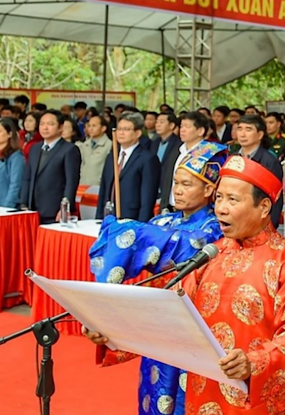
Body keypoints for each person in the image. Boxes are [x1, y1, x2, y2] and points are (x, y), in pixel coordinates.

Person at [86, 153, 285, 415]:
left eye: (233, 200)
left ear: (263, 207)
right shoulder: (211, 255)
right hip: (201, 394)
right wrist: (113, 334)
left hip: (255, 399)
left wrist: (254, 362)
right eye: (219, 198)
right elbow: (169, 316)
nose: (221, 208)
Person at [89, 142, 227, 415]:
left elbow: (185, 246)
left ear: (209, 190)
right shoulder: (162, 222)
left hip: (192, 330)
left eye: (187, 184)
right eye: (176, 183)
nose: (178, 190)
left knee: (188, 399)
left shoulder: (215, 228)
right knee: (154, 395)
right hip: (158, 328)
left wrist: (130, 230)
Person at [96, 112, 161, 222]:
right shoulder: (112, 156)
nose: (121, 133)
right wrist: (99, 218)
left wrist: (141, 225)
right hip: (109, 217)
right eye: (119, 129)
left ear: (138, 133)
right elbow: (104, 189)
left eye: (126, 129)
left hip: (132, 218)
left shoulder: (147, 158)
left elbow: (148, 198)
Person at [20, 110, 82, 224]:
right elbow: (27, 178)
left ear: (60, 127)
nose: (45, 127)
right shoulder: (35, 148)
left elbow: (71, 182)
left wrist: (65, 208)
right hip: (32, 209)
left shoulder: (69, 149)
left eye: (50, 124)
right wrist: (23, 203)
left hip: (54, 210)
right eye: (42, 124)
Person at [236, 114, 284, 227]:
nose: (242, 134)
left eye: (248, 129)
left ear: (260, 135)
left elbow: (276, 199)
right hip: (236, 219)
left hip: (259, 222)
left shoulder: (269, 161)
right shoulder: (233, 158)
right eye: (240, 129)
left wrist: (270, 226)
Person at [77, 115, 112, 186]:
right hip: (83, 185)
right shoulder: (85, 144)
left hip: (99, 185)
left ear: (103, 128)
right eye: (89, 126)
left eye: (94, 126)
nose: (90, 128)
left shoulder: (110, 145)